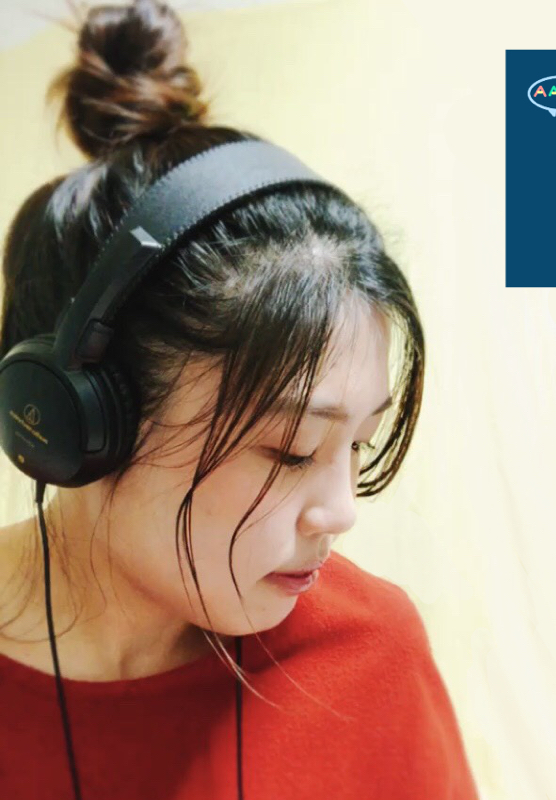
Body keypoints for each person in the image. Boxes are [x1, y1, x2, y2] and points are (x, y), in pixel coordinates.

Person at [0, 1, 481, 798]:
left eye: (358, 444)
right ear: (80, 420)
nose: (341, 511)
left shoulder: (372, 653)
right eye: (291, 450)